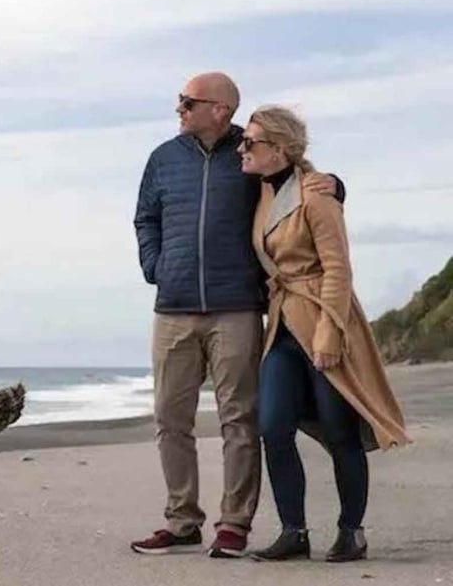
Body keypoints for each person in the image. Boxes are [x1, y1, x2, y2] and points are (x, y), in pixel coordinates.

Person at [129, 72, 340, 559]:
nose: (179, 110)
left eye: (187, 103)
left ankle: (234, 524)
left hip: (237, 308)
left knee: (239, 420)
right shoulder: (163, 158)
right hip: (174, 307)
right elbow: (145, 216)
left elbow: (296, 184)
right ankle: (182, 521)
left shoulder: (251, 150)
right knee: (170, 418)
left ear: (219, 109)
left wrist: (337, 185)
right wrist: (155, 266)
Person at [239, 105, 409, 563]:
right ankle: (294, 531)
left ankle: (351, 531)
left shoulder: (316, 195)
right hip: (281, 326)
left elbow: (338, 267)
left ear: (279, 149)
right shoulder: (260, 193)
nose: (243, 148)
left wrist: (331, 332)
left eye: (250, 142)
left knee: (339, 433)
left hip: (321, 320)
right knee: (273, 427)